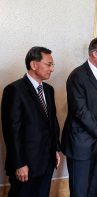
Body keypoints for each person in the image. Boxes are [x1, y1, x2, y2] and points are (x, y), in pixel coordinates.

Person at [1, 46, 60, 197]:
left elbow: (53, 123)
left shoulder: (49, 90)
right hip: (26, 165)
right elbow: (12, 132)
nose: (52, 69)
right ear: (34, 65)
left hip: (47, 162)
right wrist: (20, 164)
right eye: (48, 64)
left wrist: (55, 150)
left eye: (52, 64)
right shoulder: (14, 90)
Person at [61, 37, 97, 197]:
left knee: (92, 189)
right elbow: (80, 111)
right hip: (81, 143)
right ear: (94, 53)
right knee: (80, 191)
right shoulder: (77, 76)